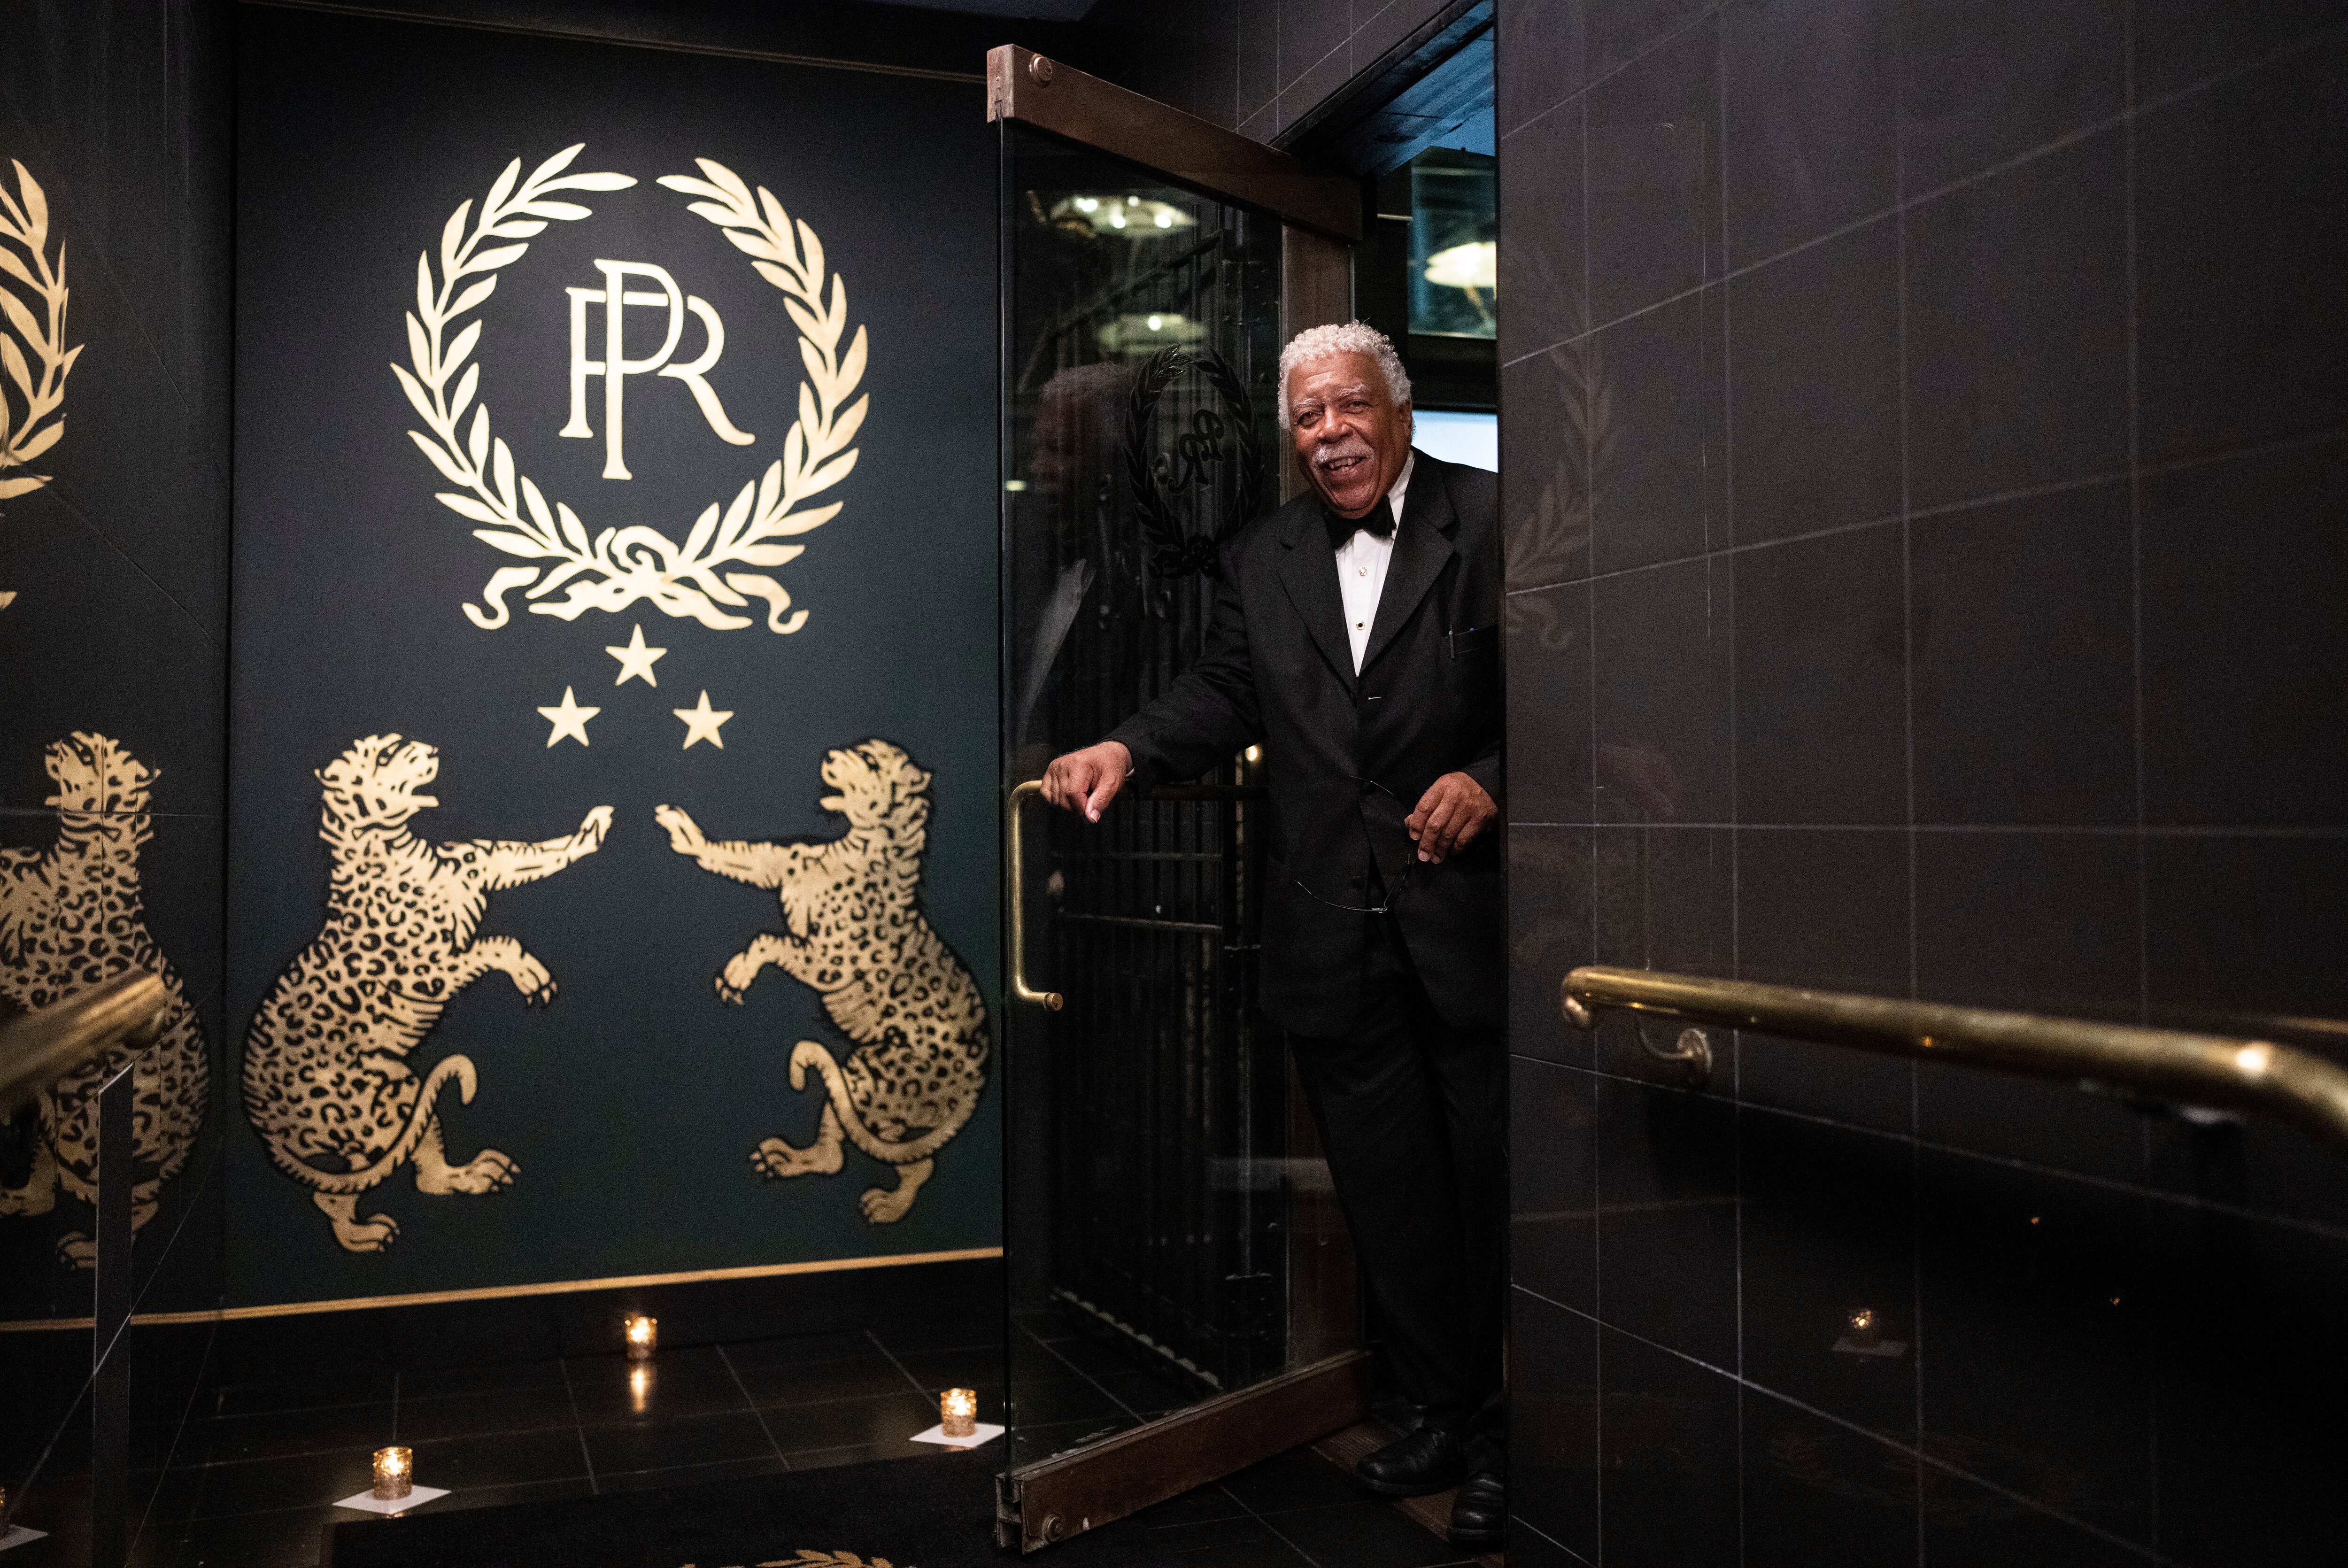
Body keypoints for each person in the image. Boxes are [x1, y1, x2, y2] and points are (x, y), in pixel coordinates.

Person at [1040, 321, 1506, 1547]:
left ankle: (1516, 1434)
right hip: (1328, 940)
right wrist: (1125, 748)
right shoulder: (1267, 552)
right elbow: (1227, 694)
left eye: (1348, 406)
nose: (1328, 433)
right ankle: (1442, 1414)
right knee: (1392, 1208)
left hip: (1469, 935)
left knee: (1492, 1198)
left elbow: (1582, 684)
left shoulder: (1499, 520)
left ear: (1397, 411)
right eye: (1307, 418)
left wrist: (1495, 774)